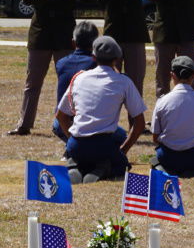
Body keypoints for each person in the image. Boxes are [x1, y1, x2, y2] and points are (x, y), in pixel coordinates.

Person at [7, 0, 93, 136]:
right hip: (41, 36)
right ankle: (24, 124)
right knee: (32, 83)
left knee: (70, 83)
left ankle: (65, 124)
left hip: (64, 37)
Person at [55, 35, 146, 182]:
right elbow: (140, 123)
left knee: (105, 142)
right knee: (121, 163)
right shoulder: (123, 82)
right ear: (117, 58)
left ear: (93, 57)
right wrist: (123, 151)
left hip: (77, 144)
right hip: (104, 145)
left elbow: (60, 116)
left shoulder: (79, 78)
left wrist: (72, 139)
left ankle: (76, 166)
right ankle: (104, 168)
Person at [94, 0, 158, 94]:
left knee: (136, 81)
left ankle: (135, 118)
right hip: (113, 31)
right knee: (110, 80)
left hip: (135, 32)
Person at [150, 55, 194, 177]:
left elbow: (155, 137)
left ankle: (166, 170)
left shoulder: (162, 101)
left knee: (156, 159)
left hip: (168, 157)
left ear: (172, 75)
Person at [50, 21, 98, 141]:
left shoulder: (61, 63)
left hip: (61, 123)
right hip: (87, 123)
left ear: (73, 42)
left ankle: (71, 146)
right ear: (95, 44)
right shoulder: (96, 64)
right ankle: (75, 147)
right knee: (119, 135)